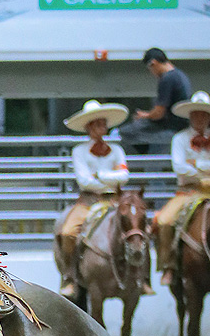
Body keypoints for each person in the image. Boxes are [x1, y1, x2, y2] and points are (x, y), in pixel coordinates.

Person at [56, 99, 154, 297]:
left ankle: (143, 278)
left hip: (116, 201)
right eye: (97, 124)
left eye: (103, 123)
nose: (102, 127)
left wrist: (100, 177)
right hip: (88, 201)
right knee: (67, 232)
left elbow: (124, 177)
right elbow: (85, 182)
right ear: (89, 127)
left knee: (142, 231)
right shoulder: (79, 151)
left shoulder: (117, 150)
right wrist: (110, 178)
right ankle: (70, 277)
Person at [153, 91, 210, 287]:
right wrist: (209, 165)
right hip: (188, 191)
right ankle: (168, 265)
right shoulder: (179, 139)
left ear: (209, 118)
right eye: (196, 114)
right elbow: (179, 168)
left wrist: (197, 164)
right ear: (190, 116)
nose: (200, 118)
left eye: (204, 114)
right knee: (164, 220)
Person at [119, 48, 192, 154]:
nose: (152, 73)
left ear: (153, 63)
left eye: (150, 69)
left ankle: (143, 154)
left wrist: (145, 115)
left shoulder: (167, 79)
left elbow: (159, 113)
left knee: (125, 131)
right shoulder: (180, 75)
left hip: (169, 128)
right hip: (181, 126)